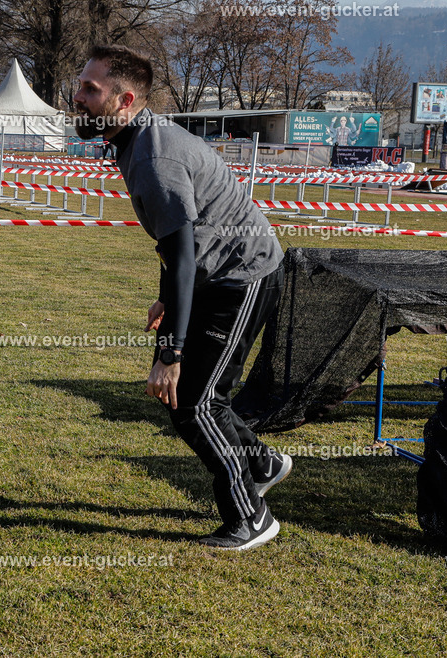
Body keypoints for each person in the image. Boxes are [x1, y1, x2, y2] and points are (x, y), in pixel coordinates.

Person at [72, 45, 290, 551]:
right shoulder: (133, 138)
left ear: (125, 100)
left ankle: (251, 518)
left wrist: (170, 352)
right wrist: (167, 299)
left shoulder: (154, 157)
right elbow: (177, 248)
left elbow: (185, 257)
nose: (78, 98)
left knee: (195, 404)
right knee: (192, 400)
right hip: (214, 272)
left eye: (90, 89)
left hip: (243, 275)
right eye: (80, 85)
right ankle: (260, 462)